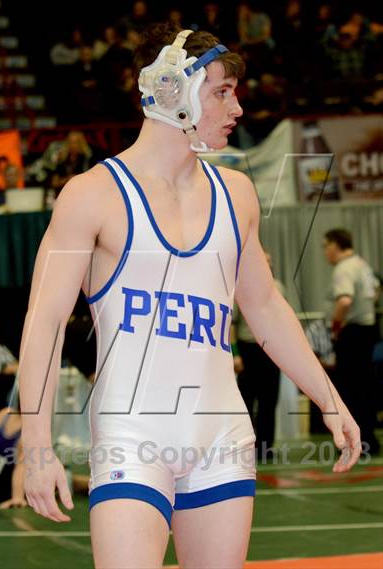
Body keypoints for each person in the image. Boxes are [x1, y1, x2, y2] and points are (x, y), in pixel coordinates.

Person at [20, 23, 361, 569]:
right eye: (222, 91)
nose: (238, 108)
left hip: (220, 431)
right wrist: (35, 448)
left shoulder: (237, 194)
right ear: (170, 90)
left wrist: (329, 397)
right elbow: (45, 323)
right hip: (132, 433)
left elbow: (267, 307)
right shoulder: (91, 196)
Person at [323, 228, 380, 455]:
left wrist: (336, 326)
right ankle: (369, 440)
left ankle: (354, 442)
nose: (325, 251)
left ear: (335, 245)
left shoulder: (343, 268)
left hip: (352, 334)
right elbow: (375, 292)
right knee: (365, 387)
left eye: (325, 246)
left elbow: (345, 300)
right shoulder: (363, 265)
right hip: (368, 330)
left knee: (349, 390)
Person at [233, 253, 284, 460]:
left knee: (269, 401)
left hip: (271, 350)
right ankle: (246, 447)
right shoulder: (239, 287)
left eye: (270, 262)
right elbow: (232, 324)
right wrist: (235, 354)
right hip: (249, 350)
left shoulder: (278, 287)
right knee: (246, 402)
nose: (267, 265)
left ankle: (266, 447)